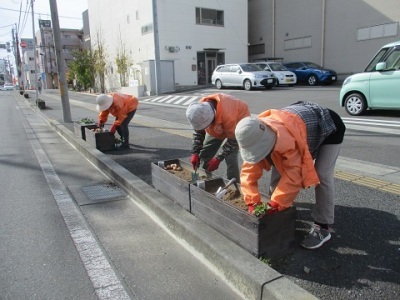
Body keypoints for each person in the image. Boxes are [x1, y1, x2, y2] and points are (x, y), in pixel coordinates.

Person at [235, 101, 346, 249]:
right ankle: (280, 214)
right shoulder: (253, 134)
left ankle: (323, 226)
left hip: (329, 127)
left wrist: (276, 203)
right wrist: (252, 202)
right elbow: (249, 171)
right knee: (277, 167)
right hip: (299, 123)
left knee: (322, 174)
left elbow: (294, 176)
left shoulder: (286, 140)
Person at [186, 93, 250, 182]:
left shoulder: (228, 116)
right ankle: (204, 180)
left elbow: (232, 141)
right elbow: (199, 131)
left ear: (212, 119)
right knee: (205, 153)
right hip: (221, 119)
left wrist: (218, 159)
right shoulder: (199, 108)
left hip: (238, 121)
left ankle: (233, 185)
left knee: (230, 158)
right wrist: (195, 152)